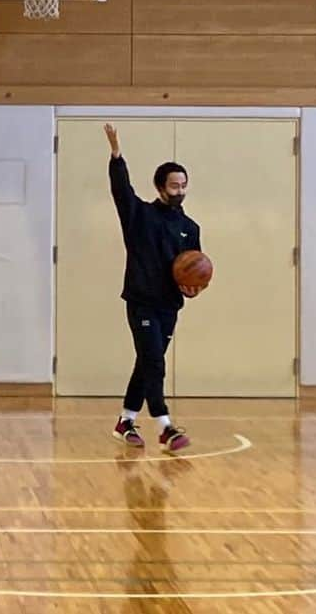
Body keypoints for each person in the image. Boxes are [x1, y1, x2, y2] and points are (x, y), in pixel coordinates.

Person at [104, 124, 202, 453]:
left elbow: (193, 272)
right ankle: (165, 427)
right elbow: (121, 191)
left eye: (184, 185)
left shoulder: (190, 228)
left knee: (147, 362)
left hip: (169, 306)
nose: (180, 190)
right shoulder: (140, 216)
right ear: (161, 187)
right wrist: (117, 156)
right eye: (174, 185)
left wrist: (192, 288)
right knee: (155, 364)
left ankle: (125, 421)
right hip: (142, 302)